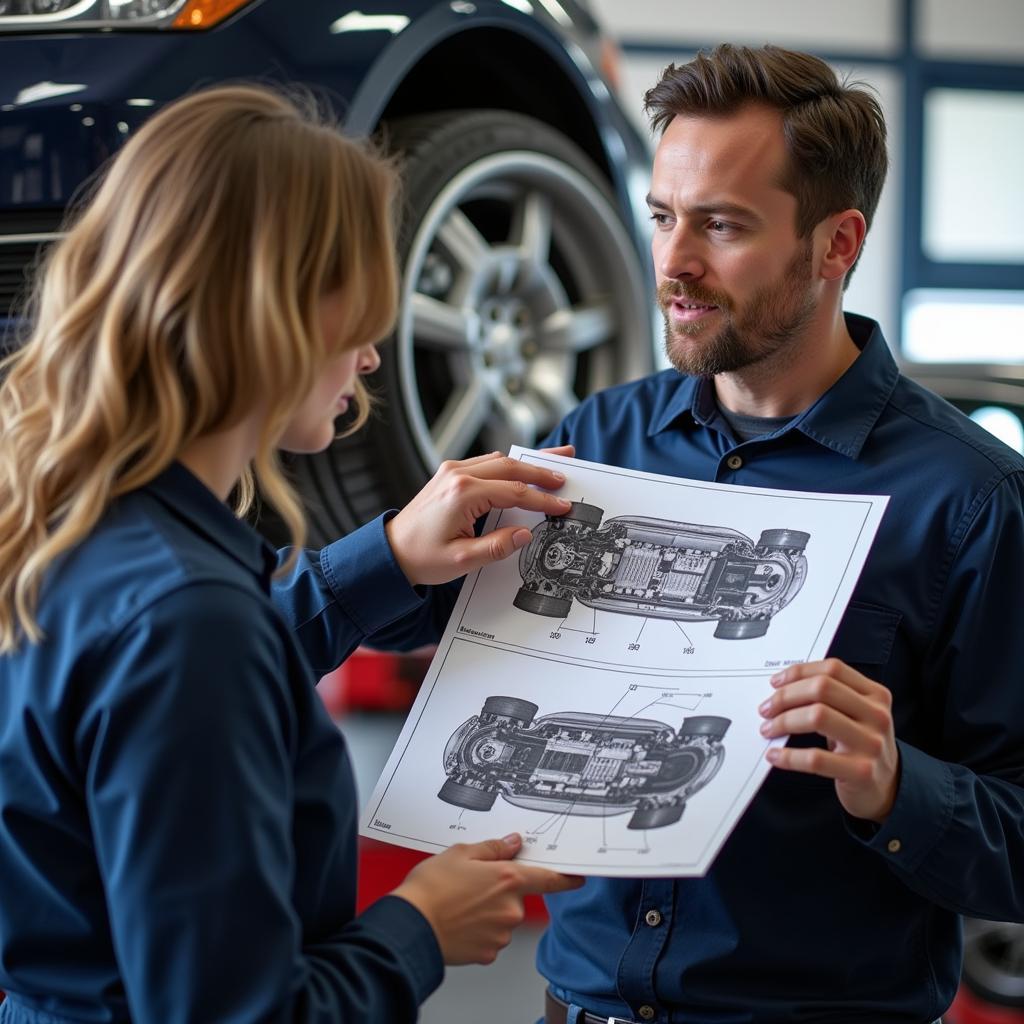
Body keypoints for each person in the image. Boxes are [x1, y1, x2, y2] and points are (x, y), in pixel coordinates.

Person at [362, 45, 1024, 1023]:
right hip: (575, 1006)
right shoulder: (592, 444)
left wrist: (894, 784)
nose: (674, 261)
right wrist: (397, 552)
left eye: (720, 225)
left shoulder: (967, 500)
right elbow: (402, 637)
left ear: (836, 244)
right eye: (664, 217)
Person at [0, 84, 584, 1023]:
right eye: (361, 307)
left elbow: (172, 694)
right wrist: (417, 930)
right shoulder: (186, 619)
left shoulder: (74, 523)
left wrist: (384, 559)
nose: (370, 355)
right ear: (274, 307)